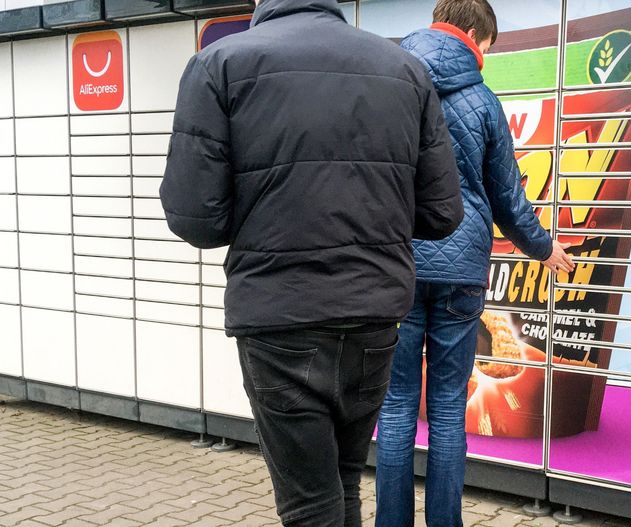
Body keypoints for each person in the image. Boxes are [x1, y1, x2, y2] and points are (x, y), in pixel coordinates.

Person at [158, 0, 464, 525]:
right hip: (373, 312)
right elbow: (442, 213)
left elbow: (196, 219)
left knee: (309, 503)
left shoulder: (219, 64)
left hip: (279, 316)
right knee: (343, 482)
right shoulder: (404, 69)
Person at [375, 1, 575, 526]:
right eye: (486, 45)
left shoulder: (388, 89)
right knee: (446, 408)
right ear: (470, 33)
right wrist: (544, 248)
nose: (484, 55)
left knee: (395, 406)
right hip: (460, 271)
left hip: (398, 265)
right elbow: (508, 198)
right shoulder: (483, 102)